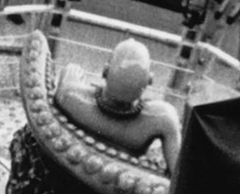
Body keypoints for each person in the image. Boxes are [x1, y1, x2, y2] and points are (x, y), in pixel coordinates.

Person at [53, 36, 182, 174]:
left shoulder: (71, 96)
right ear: (149, 80)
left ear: (106, 70)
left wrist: (72, 71)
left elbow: (70, 73)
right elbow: (178, 173)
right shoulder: (161, 119)